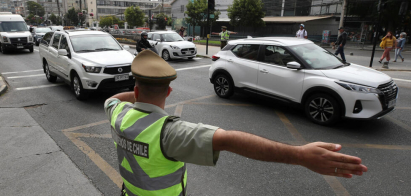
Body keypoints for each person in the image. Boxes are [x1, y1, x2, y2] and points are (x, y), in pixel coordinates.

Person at [104, 50, 368, 196]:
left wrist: (137, 97)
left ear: (136, 92)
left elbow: (113, 98)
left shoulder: (119, 114)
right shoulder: (169, 132)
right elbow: (230, 139)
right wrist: (299, 155)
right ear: (169, 92)